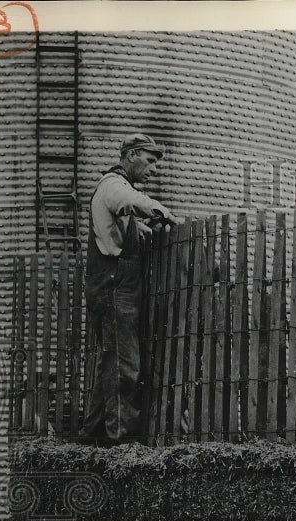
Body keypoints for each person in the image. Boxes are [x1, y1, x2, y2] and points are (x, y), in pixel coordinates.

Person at [81, 133, 177, 444]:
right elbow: (131, 202)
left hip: (112, 284)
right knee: (125, 363)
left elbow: (127, 224)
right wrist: (164, 213)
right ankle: (122, 442)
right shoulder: (114, 186)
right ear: (132, 155)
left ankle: (93, 434)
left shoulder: (116, 189)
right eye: (148, 161)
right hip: (114, 285)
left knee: (111, 359)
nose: (151, 169)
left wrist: (148, 228)